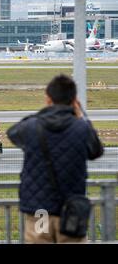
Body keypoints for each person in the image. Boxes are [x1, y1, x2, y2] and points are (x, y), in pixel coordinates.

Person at [7, 74, 103, 243]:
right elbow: (96, 151)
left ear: (48, 99)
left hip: (40, 212)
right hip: (70, 212)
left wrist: (45, 112)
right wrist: (81, 116)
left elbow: (13, 133)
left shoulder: (33, 125)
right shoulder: (81, 128)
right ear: (74, 100)